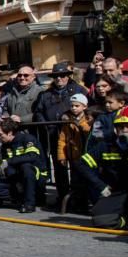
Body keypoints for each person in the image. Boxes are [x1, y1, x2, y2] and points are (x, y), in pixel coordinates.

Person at [75, 106, 128, 229]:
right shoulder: (106, 145)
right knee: (100, 220)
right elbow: (82, 164)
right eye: (121, 127)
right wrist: (100, 186)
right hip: (118, 191)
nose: (125, 130)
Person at [34, 61, 88, 206]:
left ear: (68, 76)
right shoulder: (46, 94)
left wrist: (70, 116)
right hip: (53, 135)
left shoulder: (79, 90)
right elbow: (38, 111)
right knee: (59, 167)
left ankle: (79, 199)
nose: (59, 79)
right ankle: (62, 196)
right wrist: (46, 125)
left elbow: (87, 109)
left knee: (78, 166)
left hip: (75, 136)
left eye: (63, 75)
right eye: (56, 76)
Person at [0, 119, 47, 213]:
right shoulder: (5, 146)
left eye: (0, 134)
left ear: (10, 133)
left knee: (26, 166)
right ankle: (18, 197)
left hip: (36, 175)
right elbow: (7, 165)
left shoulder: (27, 139)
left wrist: (9, 161)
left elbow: (32, 156)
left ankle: (30, 204)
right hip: (18, 176)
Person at [57, 93, 93, 214]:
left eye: (77, 106)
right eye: (72, 106)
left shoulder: (89, 119)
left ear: (84, 106)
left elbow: (88, 131)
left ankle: (85, 204)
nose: (74, 108)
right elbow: (62, 139)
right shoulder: (67, 121)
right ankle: (76, 204)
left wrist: (80, 124)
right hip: (73, 156)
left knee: (86, 180)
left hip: (85, 155)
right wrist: (62, 155)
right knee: (75, 181)